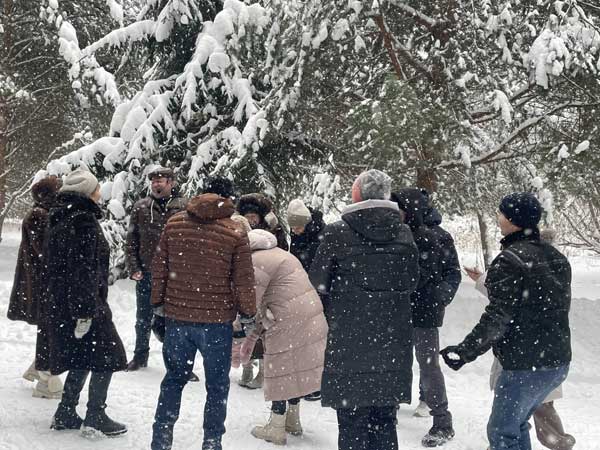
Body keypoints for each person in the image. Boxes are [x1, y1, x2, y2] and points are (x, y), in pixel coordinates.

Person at [441, 192, 572, 450]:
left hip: (524, 365)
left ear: (513, 219)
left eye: (501, 213)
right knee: (517, 425)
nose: (498, 217)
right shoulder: (556, 257)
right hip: (557, 361)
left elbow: (498, 317)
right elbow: (540, 306)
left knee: (502, 432)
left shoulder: (510, 260)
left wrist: (465, 351)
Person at [309, 169, 420, 450]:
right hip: (392, 341)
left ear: (356, 195)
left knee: (352, 422)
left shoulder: (336, 233)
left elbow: (317, 283)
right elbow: (412, 281)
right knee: (385, 421)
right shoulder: (404, 232)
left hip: (348, 340)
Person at [150, 178, 257, 450]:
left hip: (178, 318)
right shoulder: (235, 232)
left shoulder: (175, 223)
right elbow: (244, 280)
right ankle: (212, 442)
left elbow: (160, 268)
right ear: (228, 199)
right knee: (217, 386)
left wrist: (158, 306)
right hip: (216, 322)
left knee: (174, 379)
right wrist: (248, 315)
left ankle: (161, 439)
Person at [465, 228, 575, 450]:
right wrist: (483, 279)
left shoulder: (541, 272)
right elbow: (509, 297)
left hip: (531, 357)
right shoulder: (547, 269)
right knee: (519, 418)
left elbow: (512, 303)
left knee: (526, 417)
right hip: (537, 356)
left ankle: (558, 443)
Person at [44, 169, 127, 437]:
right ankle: (95, 415)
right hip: (85, 303)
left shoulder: (60, 216)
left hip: (62, 301)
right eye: (96, 189)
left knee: (83, 354)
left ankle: (66, 411)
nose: (100, 194)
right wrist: (85, 312)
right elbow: (82, 270)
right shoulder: (83, 222)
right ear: (87, 193)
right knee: (108, 355)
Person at [236, 228, 327, 446]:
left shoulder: (255, 261)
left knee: (279, 366)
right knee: (297, 366)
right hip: (311, 314)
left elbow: (251, 303)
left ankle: (276, 426)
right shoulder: (282, 254)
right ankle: (293, 419)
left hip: (287, 318)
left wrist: (238, 328)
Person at [392, 188, 459, 447]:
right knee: (396, 361)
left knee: (428, 365)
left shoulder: (439, 237)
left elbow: (452, 272)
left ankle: (442, 420)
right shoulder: (393, 234)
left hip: (425, 311)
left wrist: (441, 295)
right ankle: (390, 407)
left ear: (411, 210)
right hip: (397, 310)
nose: (395, 213)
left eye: (399, 209)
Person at [125, 166, 187, 372]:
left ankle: (177, 363)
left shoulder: (184, 207)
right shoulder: (141, 207)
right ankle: (139, 356)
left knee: (175, 320)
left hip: (174, 274)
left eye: (160, 181)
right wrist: (133, 267)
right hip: (147, 272)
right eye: (153, 181)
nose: (155, 184)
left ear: (171, 183)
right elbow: (131, 240)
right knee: (142, 319)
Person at [7, 176, 64, 399]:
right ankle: (46, 378)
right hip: (41, 284)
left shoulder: (43, 213)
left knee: (48, 328)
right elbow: (46, 250)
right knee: (49, 328)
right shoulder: (39, 215)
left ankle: (39, 368)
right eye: (58, 190)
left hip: (41, 282)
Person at [236, 192, 288, 389]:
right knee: (244, 329)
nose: (251, 220)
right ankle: (246, 366)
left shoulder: (272, 232)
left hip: (266, 286)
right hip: (245, 285)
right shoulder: (239, 229)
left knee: (263, 331)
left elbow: (282, 252)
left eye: (254, 216)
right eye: (248, 216)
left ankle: (264, 372)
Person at [287, 198, 325, 271]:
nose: (294, 231)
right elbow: (294, 252)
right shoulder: (297, 231)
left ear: (306, 223)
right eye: (292, 228)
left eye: (297, 228)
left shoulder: (320, 231)